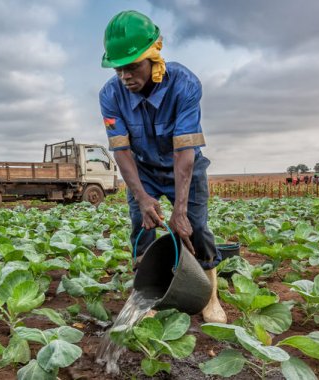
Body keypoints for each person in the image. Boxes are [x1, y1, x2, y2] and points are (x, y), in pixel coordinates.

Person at [99, 10, 226, 323]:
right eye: (118, 69)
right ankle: (145, 294)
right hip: (142, 171)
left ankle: (210, 294)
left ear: (154, 58)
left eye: (131, 67)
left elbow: (184, 151)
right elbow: (122, 151)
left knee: (196, 228)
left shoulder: (183, 84)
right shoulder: (110, 95)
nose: (125, 76)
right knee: (140, 228)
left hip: (184, 168)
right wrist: (142, 198)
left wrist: (179, 209)